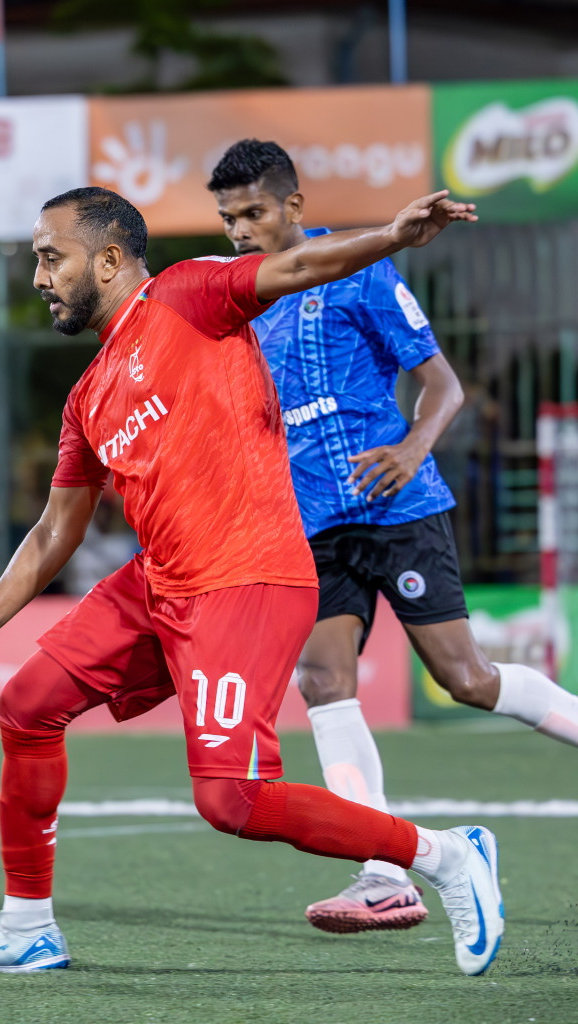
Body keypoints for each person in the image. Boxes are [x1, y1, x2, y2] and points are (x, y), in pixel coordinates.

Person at [0, 185, 504, 976]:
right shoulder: (87, 398)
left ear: (108, 259)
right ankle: (25, 927)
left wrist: (391, 234)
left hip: (247, 577)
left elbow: (301, 262)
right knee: (28, 705)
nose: (38, 277)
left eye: (50, 257)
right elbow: (51, 535)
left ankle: (448, 855)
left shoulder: (187, 295)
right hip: (161, 583)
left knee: (232, 803)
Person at [208, 139, 578, 933]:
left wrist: (411, 449)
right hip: (309, 523)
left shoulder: (358, 268)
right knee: (322, 683)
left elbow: (443, 384)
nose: (240, 230)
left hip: (396, 508)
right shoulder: (236, 300)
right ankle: (382, 870)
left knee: (467, 679)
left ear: (294, 208)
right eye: (228, 218)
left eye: (253, 212)